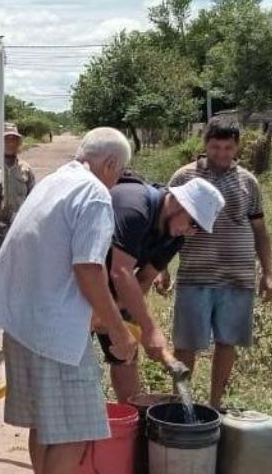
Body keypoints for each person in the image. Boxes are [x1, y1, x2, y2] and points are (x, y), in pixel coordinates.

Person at [0, 128, 137, 474]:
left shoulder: (53, 182)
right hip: (54, 331)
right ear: (110, 166)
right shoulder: (94, 194)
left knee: (45, 426)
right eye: (118, 174)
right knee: (74, 429)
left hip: (22, 322)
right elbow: (88, 269)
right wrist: (119, 332)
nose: (115, 182)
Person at [166, 120, 272, 410]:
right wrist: (162, 268)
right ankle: (181, 406)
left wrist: (268, 273)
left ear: (237, 146)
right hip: (195, 275)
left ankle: (215, 405)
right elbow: (165, 223)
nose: (222, 153)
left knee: (227, 342)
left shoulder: (247, 181)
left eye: (228, 147)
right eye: (215, 146)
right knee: (186, 344)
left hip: (237, 276)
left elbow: (260, 231)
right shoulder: (184, 177)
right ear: (205, 144)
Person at [96, 172, 225, 402]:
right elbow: (121, 271)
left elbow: (144, 279)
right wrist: (149, 328)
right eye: (192, 222)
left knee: (127, 353)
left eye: (198, 228)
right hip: (74, 278)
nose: (191, 231)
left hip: (108, 284)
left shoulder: (175, 236)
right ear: (177, 202)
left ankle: (131, 419)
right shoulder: (135, 206)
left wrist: (123, 317)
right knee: (68, 359)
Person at [0, 122, 35, 245]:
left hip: (18, 224)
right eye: (6, 139)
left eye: (14, 139)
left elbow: (33, 197)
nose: (10, 143)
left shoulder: (26, 169)